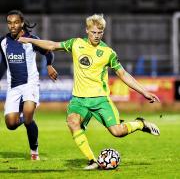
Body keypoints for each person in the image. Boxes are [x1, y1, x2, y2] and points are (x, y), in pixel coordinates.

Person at [18, 14, 160, 168]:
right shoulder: (76, 44)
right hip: (79, 100)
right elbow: (52, 45)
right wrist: (30, 40)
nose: (96, 36)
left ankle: (140, 124)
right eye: (93, 32)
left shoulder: (108, 53)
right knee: (72, 122)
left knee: (118, 132)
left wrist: (144, 92)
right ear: (87, 30)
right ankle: (93, 160)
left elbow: (123, 74)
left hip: (100, 100)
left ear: (103, 32)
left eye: (100, 33)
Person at [0, 10, 58, 160]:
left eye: (16, 22)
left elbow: (48, 51)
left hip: (30, 84)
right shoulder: (3, 42)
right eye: (9, 22)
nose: (12, 26)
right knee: (11, 124)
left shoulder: (31, 40)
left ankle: (34, 151)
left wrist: (50, 65)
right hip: (13, 87)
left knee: (28, 117)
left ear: (22, 23)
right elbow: (2, 65)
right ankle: (23, 117)